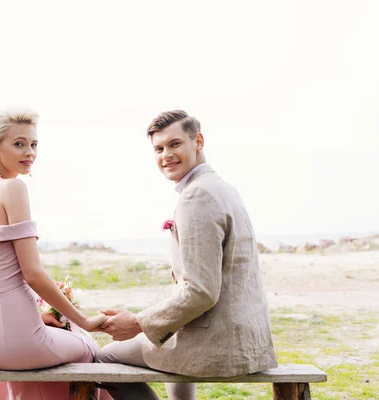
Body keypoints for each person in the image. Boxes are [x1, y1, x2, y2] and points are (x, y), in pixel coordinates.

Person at [96, 110, 277, 400]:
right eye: (159, 148)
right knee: (167, 336)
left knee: (104, 358)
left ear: (199, 141)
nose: (166, 154)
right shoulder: (223, 188)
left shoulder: (198, 196)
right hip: (245, 338)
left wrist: (138, 323)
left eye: (175, 144)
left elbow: (201, 292)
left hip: (215, 343)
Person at [0, 108, 110, 400]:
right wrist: (85, 320)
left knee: (32, 355)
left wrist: (38, 315)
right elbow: (33, 274)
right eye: (19, 144)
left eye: (34, 144)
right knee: (87, 344)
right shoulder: (13, 188)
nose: (30, 152)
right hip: (14, 339)